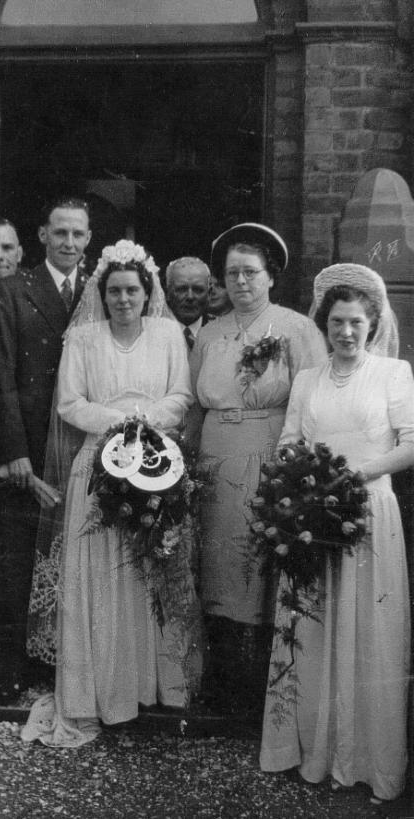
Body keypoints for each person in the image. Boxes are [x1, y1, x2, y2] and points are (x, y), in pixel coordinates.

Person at [21, 239, 195, 748]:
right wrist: (120, 423)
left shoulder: (166, 334)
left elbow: (181, 395)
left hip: (157, 459)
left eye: (132, 291)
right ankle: (94, 693)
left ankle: (146, 687)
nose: (123, 300)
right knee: (96, 574)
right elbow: (70, 403)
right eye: (115, 291)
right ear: (103, 293)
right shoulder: (83, 338)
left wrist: (147, 425)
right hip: (96, 463)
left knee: (147, 571)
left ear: (148, 293)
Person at [260, 263, 413, 804]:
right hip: (312, 516)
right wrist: (296, 476)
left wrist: (358, 474)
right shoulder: (308, 379)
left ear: (372, 324)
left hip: (368, 512)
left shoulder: (394, 374)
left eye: (356, 323)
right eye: (336, 323)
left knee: (366, 626)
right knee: (316, 624)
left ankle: (367, 761)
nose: (345, 333)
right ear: (323, 325)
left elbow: (411, 443)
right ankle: (312, 751)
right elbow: (289, 438)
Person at [190, 223, 327, 714]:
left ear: (271, 276)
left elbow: (312, 399)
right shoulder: (209, 332)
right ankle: (222, 680)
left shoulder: (294, 328)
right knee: (218, 566)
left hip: (269, 453)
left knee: (259, 564)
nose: (241, 282)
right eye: (232, 274)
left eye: (251, 272)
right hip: (214, 456)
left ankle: (263, 690)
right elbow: (191, 405)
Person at [0, 197, 91, 695]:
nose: (69, 243)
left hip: (76, 439)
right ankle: (10, 673)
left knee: (72, 553)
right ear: (43, 235)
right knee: (20, 557)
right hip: (30, 442)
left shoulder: (98, 290)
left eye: (78, 235)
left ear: (88, 240)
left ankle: (64, 667)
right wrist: (14, 450)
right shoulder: (13, 289)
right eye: (61, 233)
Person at [165, 256, 212, 350]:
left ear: (209, 293)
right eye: (181, 289)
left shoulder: (222, 332)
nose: (190, 297)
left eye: (198, 290)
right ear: (167, 293)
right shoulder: (152, 333)